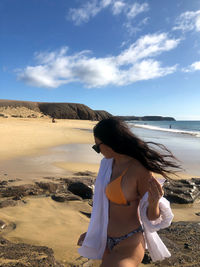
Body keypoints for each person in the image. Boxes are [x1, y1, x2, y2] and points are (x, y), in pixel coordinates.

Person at [77, 117, 181, 267]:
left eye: (97, 147)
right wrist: (93, 232)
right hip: (105, 240)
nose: (98, 151)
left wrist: (154, 203)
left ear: (109, 142)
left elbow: (152, 217)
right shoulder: (106, 164)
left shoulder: (139, 170)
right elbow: (103, 206)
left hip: (129, 242)